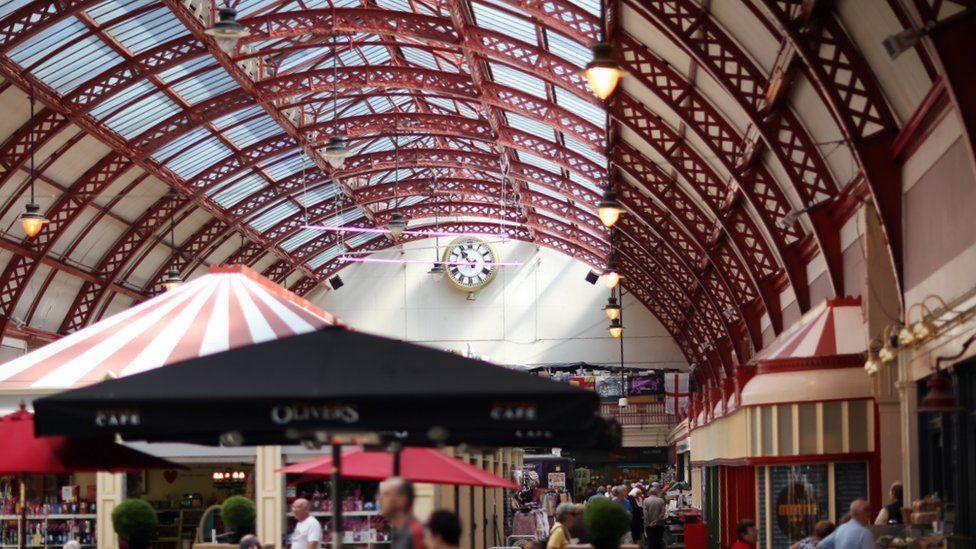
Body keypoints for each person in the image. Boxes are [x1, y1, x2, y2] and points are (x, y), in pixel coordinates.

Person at [379, 477, 426, 549]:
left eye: (386, 494)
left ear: (402, 500)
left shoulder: (416, 534)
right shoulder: (398, 532)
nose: (380, 499)